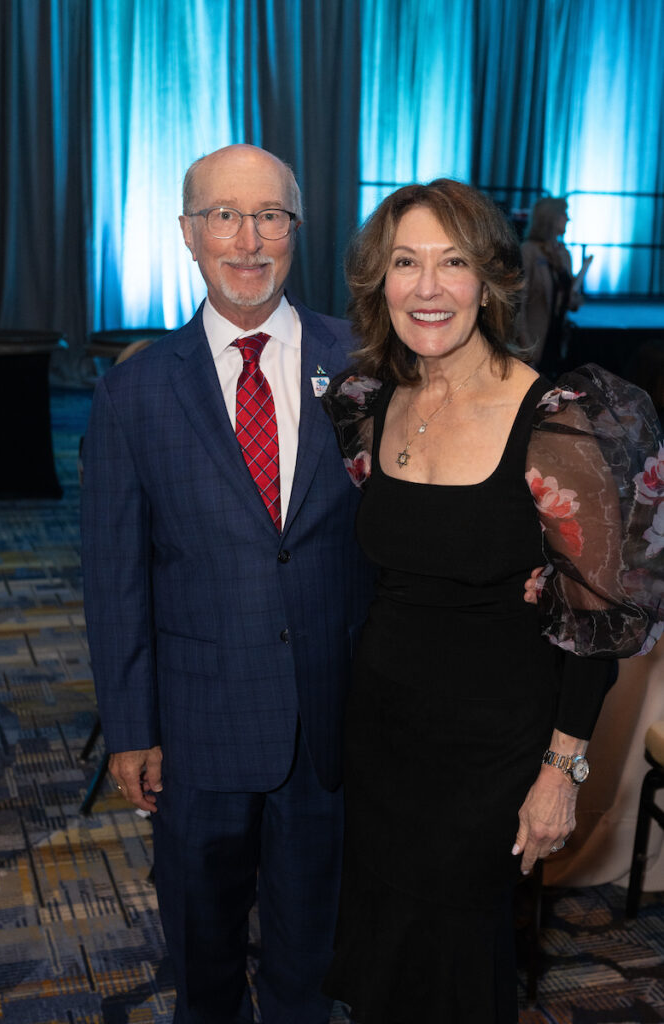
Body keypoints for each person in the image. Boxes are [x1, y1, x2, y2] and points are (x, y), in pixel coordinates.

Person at [321, 179, 664, 1024]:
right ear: (378, 281)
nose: (427, 287)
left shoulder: (561, 418)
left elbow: (595, 622)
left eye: (453, 262)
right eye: (405, 262)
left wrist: (560, 770)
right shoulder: (366, 405)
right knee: (384, 958)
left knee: (459, 968)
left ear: (492, 280)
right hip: (380, 738)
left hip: (493, 755)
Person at [80, 144, 374, 1024]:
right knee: (201, 964)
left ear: (297, 229)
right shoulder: (132, 393)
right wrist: (131, 730)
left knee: (310, 964)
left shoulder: (364, 366)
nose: (247, 240)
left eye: (270, 216)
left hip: (330, 730)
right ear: (187, 233)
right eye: (223, 216)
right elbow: (115, 579)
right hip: (196, 736)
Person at [519, 196, 592, 375]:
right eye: (564, 214)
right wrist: (527, 352)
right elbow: (517, 307)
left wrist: (582, 274)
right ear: (549, 218)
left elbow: (567, 300)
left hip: (558, 343)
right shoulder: (528, 251)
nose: (568, 219)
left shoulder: (563, 253)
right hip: (534, 344)